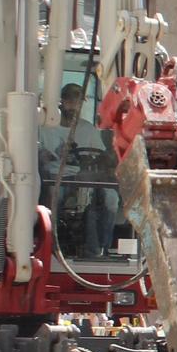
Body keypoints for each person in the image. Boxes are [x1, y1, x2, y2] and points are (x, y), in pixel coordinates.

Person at [40, 82, 119, 258]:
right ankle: (52, 245)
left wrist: (97, 160)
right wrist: (49, 156)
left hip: (85, 178)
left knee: (111, 198)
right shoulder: (45, 128)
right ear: (62, 101)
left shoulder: (88, 129)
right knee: (55, 197)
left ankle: (100, 249)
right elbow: (39, 156)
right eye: (71, 100)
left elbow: (101, 155)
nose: (75, 106)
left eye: (79, 102)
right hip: (56, 177)